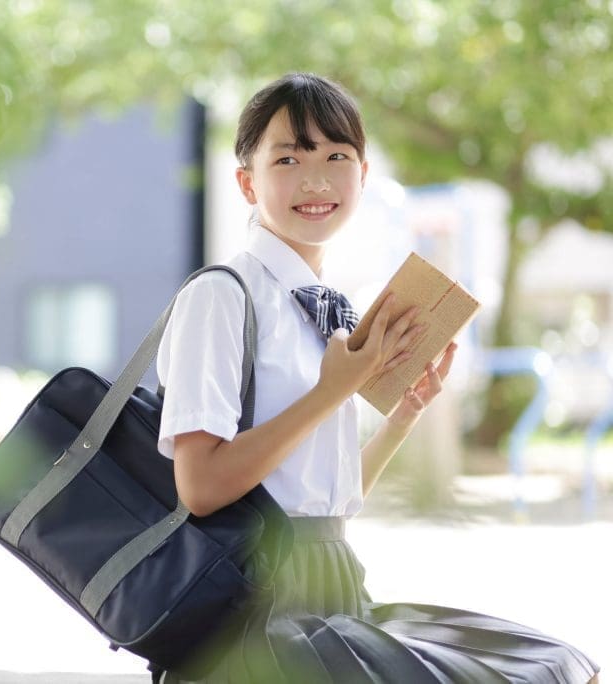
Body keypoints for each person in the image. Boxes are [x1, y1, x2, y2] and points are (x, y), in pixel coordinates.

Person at [154, 72, 599, 683]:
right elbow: (200, 485)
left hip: (330, 578)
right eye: (288, 158)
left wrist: (401, 416)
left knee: (550, 663)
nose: (315, 179)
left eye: (337, 156)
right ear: (246, 183)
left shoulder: (327, 307)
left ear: (362, 176)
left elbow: (322, 501)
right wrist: (332, 391)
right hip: (252, 605)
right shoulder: (222, 296)